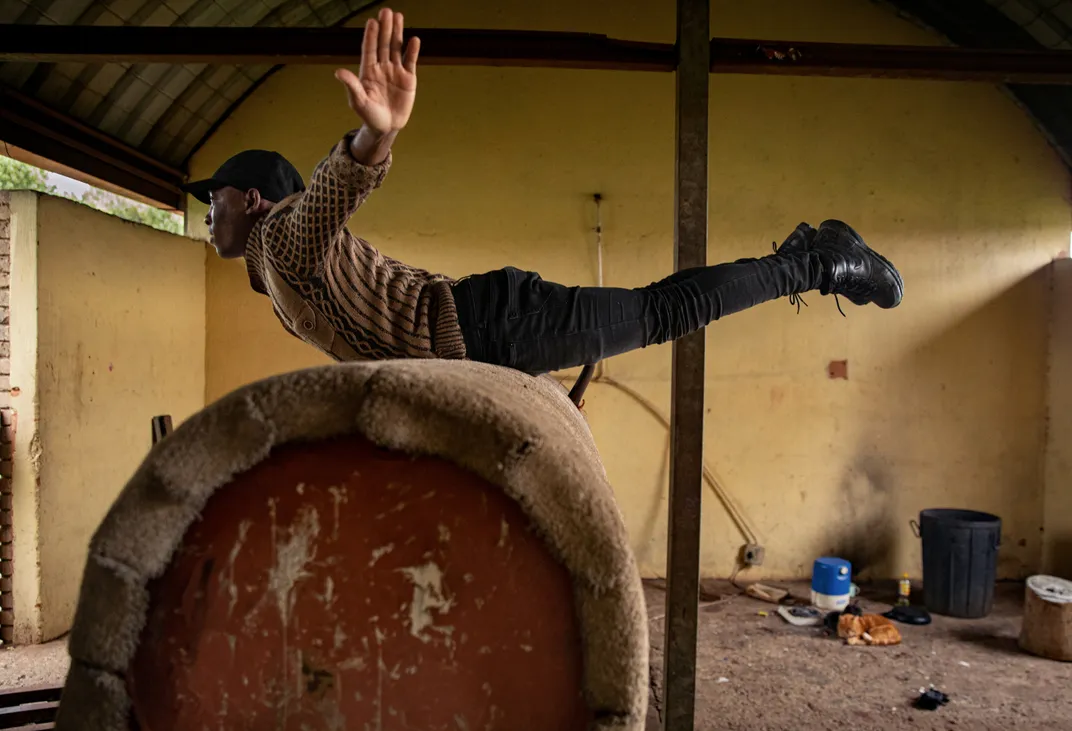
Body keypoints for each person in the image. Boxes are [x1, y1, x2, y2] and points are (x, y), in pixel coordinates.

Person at [185, 8, 903, 376]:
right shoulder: (276, 273)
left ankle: (820, 261)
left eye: (212, 200)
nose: (207, 214)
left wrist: (375, 138)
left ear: (250, 198)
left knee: (661, 312)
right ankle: (812, 253)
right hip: (478, 331)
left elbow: (329, 196)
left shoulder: (281, 237)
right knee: (660, 305)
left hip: (491, 323)